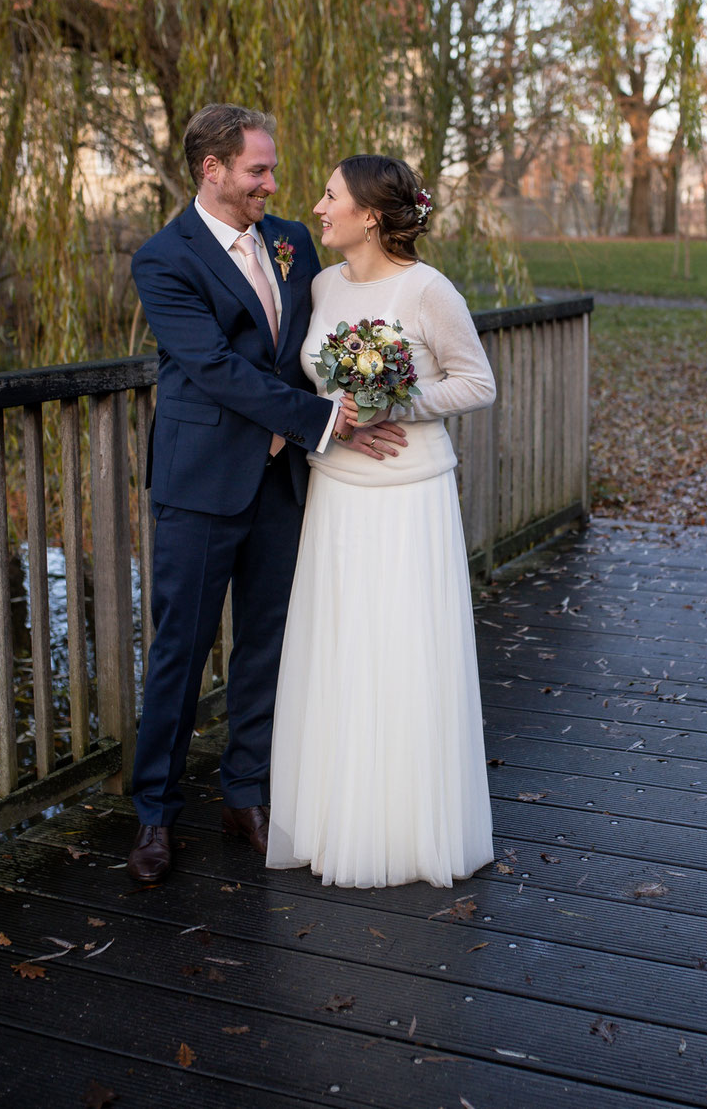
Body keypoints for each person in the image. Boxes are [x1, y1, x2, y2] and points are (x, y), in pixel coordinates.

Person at [127, 106, 405, 884]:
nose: (272, 185)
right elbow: (214, 367)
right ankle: (154, 815)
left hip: (280, 481)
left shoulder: (290, 240)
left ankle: (244, 794)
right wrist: (323, 420)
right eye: (258, 171)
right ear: (211, 170)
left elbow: (311, 344)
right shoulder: (163, 259)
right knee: (179, 653)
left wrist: (371, 386)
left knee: (267, 645)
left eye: (273, 170)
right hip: (201, 483)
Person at [266, 154, 496, 888]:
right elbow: (303, 382)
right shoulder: (321, 285)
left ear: (369, 214)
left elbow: (476, 382)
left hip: (407, 494)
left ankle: (407, 830)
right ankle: (337, 817)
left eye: (329, 195)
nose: (318, 206)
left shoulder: (429, 290)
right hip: (335, 490)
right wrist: (328, 420)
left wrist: (399, 403)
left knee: (401, 650)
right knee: (340, 650)